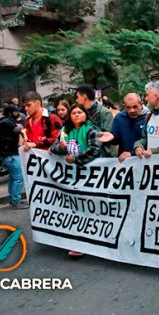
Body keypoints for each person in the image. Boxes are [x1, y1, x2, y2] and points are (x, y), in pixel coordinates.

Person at [50, 104, 101, 257]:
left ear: (85, 114)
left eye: (80, 112)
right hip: (72, 177)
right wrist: (61, 147)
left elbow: (95, 150)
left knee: (90, 209)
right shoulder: (65, 131)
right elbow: (53, 148)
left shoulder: (93, 130)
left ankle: (93, 240)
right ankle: (79, 243)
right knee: (76, 209)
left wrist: (75, 159)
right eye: (74, 113)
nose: (77, 115)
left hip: (91, 176)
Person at [0, 105, 28, 209]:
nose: (18, 114)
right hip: (10, 155)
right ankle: (16, 201)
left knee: (14, 178)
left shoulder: (5, 121)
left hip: (8, 154)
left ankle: (13, 199)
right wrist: (21, 125)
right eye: (15, 112)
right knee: (18, 178)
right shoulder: (7, 122)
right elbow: (18, 130)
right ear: (10, 113)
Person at [102, 93, 149, 162]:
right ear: (124, 106)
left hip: (145, 160)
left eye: (135, 107)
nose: (132, 110)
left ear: (141, 104)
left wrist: (132, 153)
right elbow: (116, 140)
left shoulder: (149, 117)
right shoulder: (119, 117)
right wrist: (111, 137)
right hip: (125, 163)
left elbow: (151, 141)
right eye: (128, 107)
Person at [75, 85, 114, 157]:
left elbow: (107, 134)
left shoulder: (104, 112)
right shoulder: (80, 113)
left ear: (84, 97)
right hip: (84, 154)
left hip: (102, 156)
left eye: (77, 97)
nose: (76, 100)